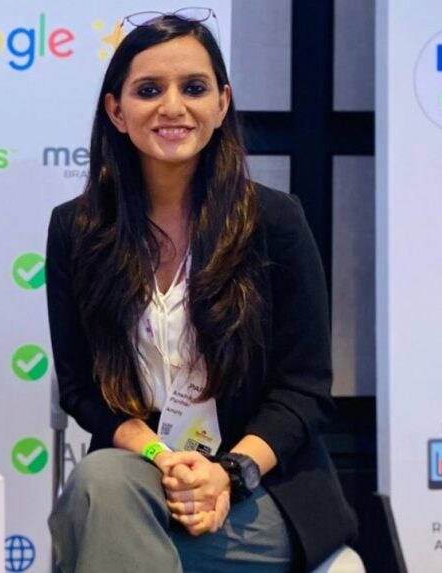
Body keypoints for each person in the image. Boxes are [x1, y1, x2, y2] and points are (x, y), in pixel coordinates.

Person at [45, 11, 357, 573]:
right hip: (140, 476)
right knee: (103, 488)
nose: (172, 106)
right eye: (148, 90)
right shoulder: (77, 229)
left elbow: (304, 391)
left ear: (221, 103)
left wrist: (227, 474)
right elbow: (81, 390)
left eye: (193, 88)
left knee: (93, 524)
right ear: (116, 111)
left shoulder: (274, 221)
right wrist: (161, 457)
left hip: (263, 491)